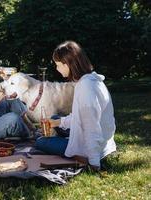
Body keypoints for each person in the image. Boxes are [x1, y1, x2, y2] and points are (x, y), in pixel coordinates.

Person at [35, 41, 116, 170]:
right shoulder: (92, 80)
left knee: (40, 142)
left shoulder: (86, 87)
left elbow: (91, 128)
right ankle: (63, 134)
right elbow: (81, 117)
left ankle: (72, 147)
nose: (57, 68)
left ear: (67, 64)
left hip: (89, 149)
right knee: (55, 118)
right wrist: (56, 123)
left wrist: (93, 163)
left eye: (58, 65)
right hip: (101, 141)